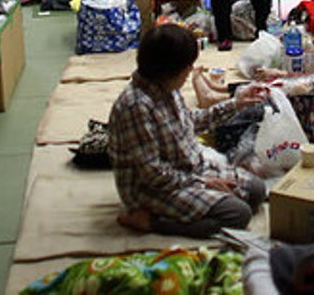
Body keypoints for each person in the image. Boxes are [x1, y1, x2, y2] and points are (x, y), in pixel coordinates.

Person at [108, 23, 269, 238]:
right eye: (187, 66)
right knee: (238, 214)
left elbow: (191, 121)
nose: (190, 70)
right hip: (154, 188)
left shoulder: (166, 88)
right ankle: (150, 222)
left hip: (187, 170)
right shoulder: (135, 106)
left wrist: (236, 104)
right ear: (169, 69)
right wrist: (204, 183)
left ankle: (202, 199)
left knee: (256, 190)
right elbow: (152, 173)